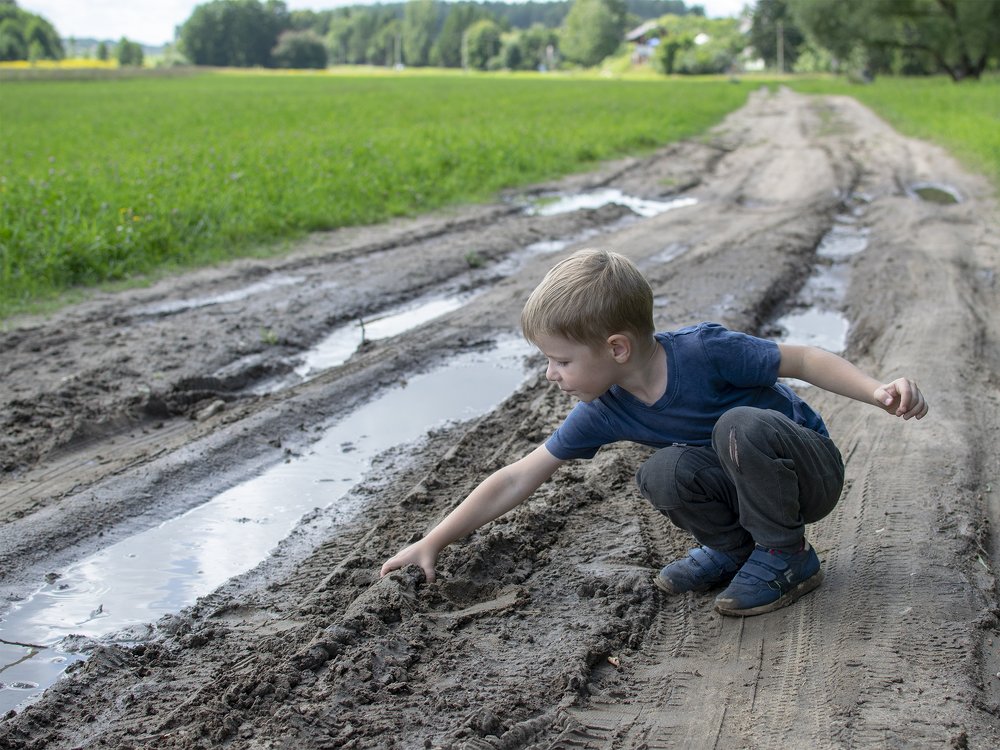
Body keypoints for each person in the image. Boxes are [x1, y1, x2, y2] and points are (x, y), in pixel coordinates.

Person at [380, 249, 928, 616]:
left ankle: (787, 555)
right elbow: (519, 476)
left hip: (806, 472)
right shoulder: (608, 409)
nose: (551, 375)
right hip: (742, 482)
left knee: (737, 425)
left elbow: (804, 359)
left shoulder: (706, 352)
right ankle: (733, 549)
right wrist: (433, 541)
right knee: (662, 470)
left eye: (559, 360)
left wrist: (877, 391)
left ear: (616, 348)